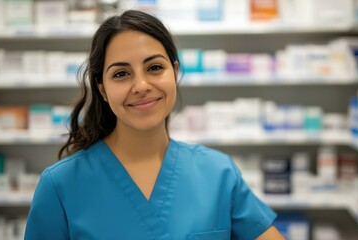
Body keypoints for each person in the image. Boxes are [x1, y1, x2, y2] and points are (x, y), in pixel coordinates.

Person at [24, 9, 285, 240]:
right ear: (102, 90)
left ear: (174, 71)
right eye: (121, 74)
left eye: (154, 67)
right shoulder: (60, 186)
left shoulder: (219, 174)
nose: (141, 86)